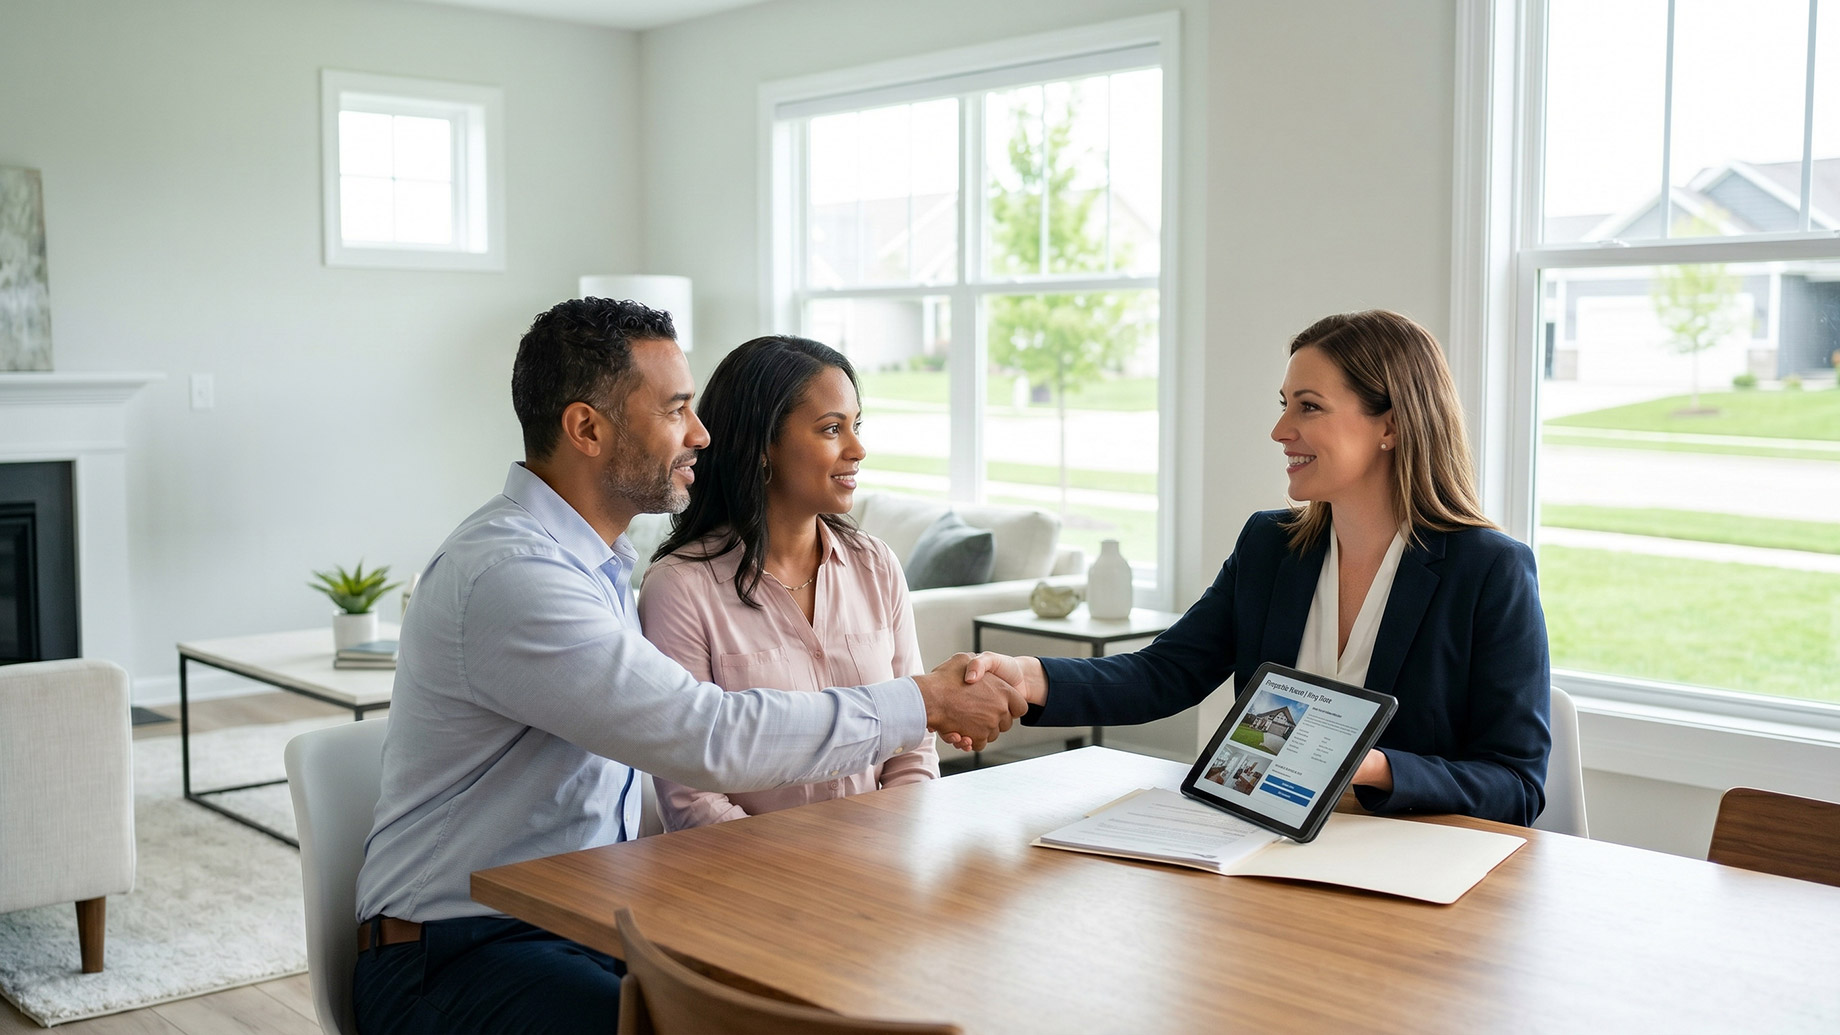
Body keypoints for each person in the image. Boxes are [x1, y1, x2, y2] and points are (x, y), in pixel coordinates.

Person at [351, 298, 1024, 1035]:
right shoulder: (516, 575)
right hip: (459, 951)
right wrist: (920, 700)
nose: (702, 434)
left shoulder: (595, 567)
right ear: (587, 428)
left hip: (584, 922)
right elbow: (706, 736)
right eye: (676, 410)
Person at [957, 309, 1552, 825]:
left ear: (1391, 425)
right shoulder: (1271, 546)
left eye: (1310, 407)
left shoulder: (1489, 570)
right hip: (1258, 845)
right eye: (1285, 405)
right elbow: (1164, 673)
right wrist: (1026, 675)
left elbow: (1516, 786)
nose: (1279, 431)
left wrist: (1370, 768)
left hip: (1411, 868)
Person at [638, 335, 937, 829]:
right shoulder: (680, 588)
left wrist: (891, 842)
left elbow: (915, 733)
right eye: (831, 429)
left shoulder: (876, 565)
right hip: (751, 879)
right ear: (761, 446)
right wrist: (796, 869)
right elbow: (690, 793)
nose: (858, 449)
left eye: (856, 426)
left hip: (881, 865)